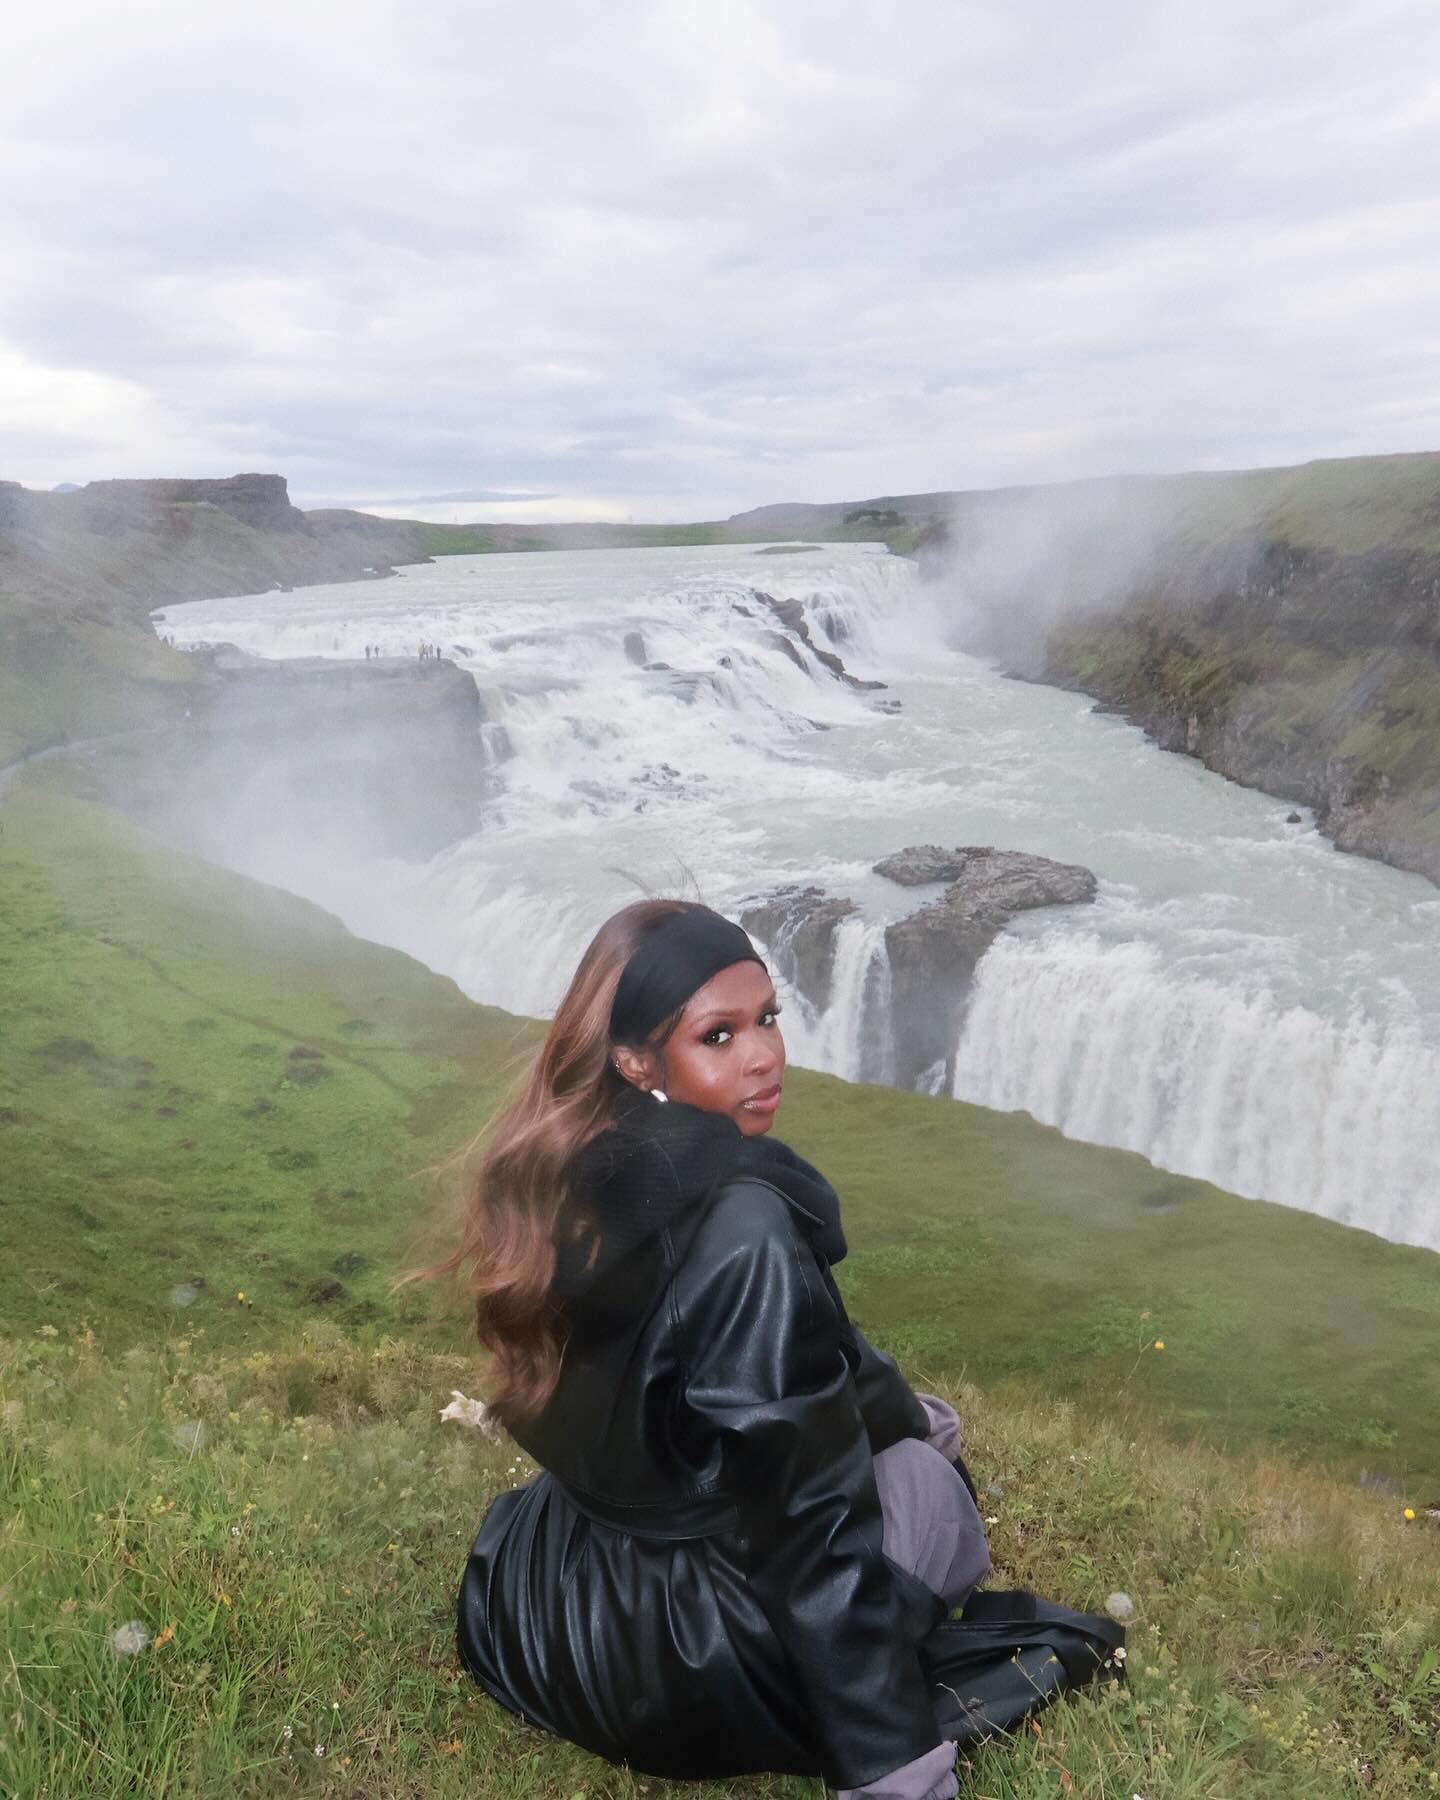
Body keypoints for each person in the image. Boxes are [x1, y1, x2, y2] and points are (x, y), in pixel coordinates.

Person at [431, 900, 990, 1798]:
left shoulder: (578, 1161)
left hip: (552, 1610)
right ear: (638, 1061)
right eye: (718, 1036)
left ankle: (904, 1429)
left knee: (906, 1430)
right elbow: (814, 1533)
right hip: (686, 1664)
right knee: (932, 1496)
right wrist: (896, 1777)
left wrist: (893, 1415)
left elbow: (803, 1358)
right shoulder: (750, 1227)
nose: (764, 1054)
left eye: (766, 1018)